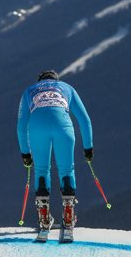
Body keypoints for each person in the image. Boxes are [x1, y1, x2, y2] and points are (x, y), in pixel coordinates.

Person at [17, 70, 93, 232]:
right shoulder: (67, 88)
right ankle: (68, 214)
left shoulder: (29, 90)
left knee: (41, 170)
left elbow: (21, 127)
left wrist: (25, 153)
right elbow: (84, 119)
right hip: (63, 127)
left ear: (40, 81)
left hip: (37, 129)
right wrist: (88, 147)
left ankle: (44, 216)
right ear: (56, 80)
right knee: (67, 168)